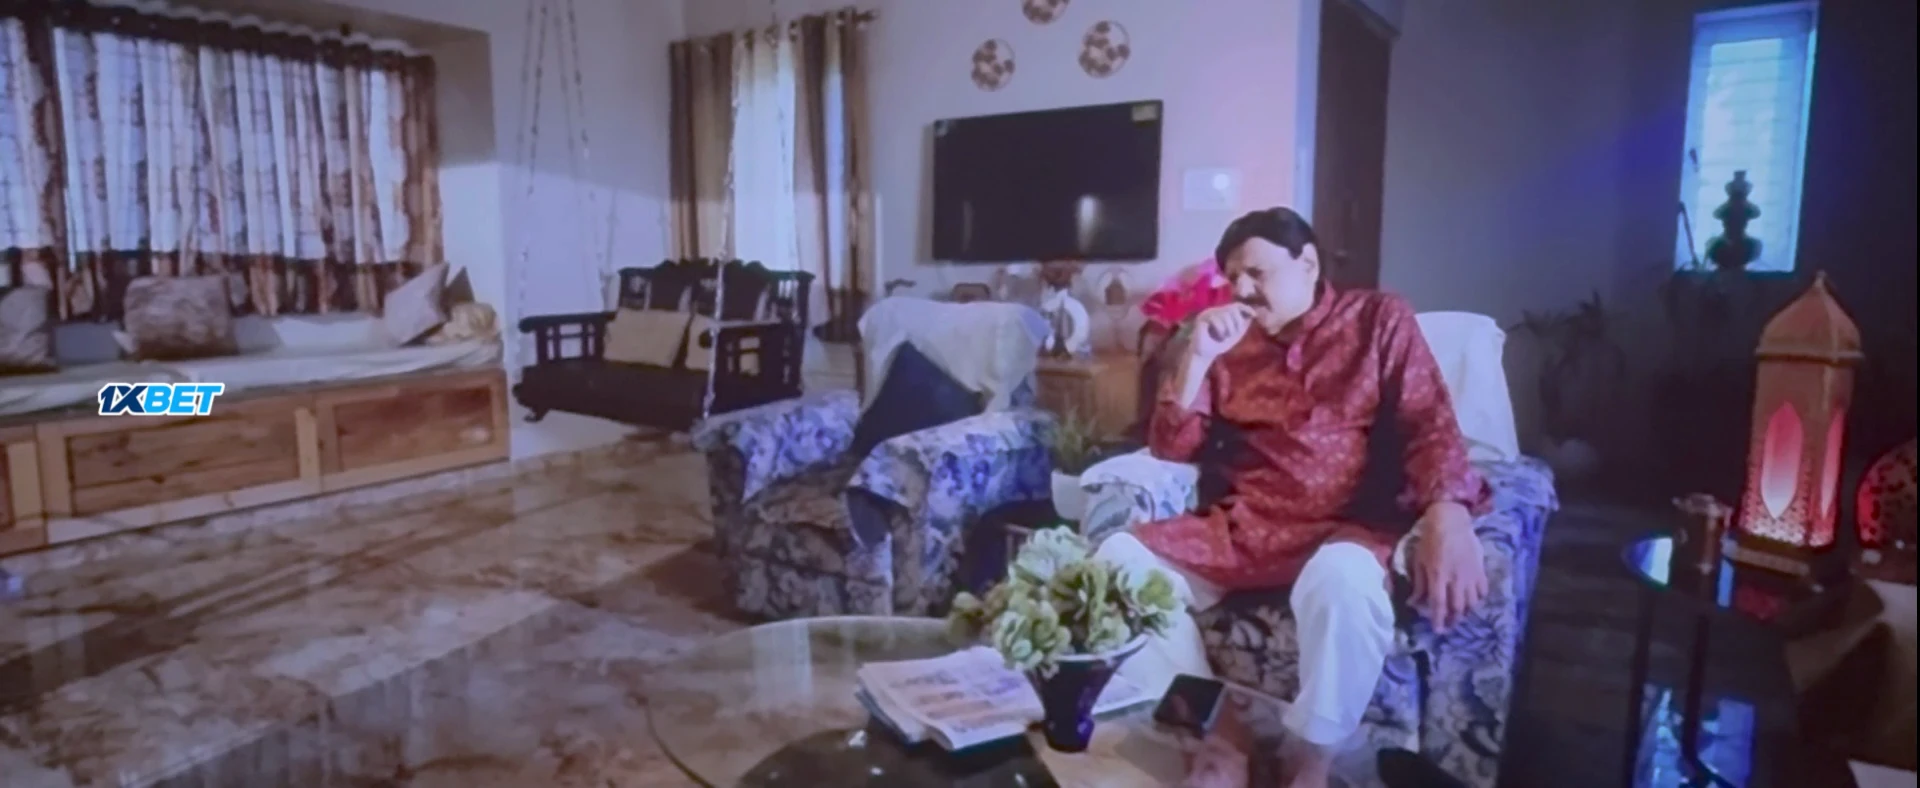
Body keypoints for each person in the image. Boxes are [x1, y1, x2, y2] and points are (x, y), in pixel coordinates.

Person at [1096, 207, 1492, 788]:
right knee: (1117, 563)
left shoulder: (1378, 319)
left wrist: (1448, 513)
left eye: (1256, 273)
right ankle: (1222, 737)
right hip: (1245, 528)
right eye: (1233, 278)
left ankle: (1310, 760)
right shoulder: (1228, 344)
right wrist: (1196, 358)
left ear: (1307, 263)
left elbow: (1428, 422)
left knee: (1343, 583)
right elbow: (1171, 448)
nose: (1242, 290)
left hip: (1346, 526)